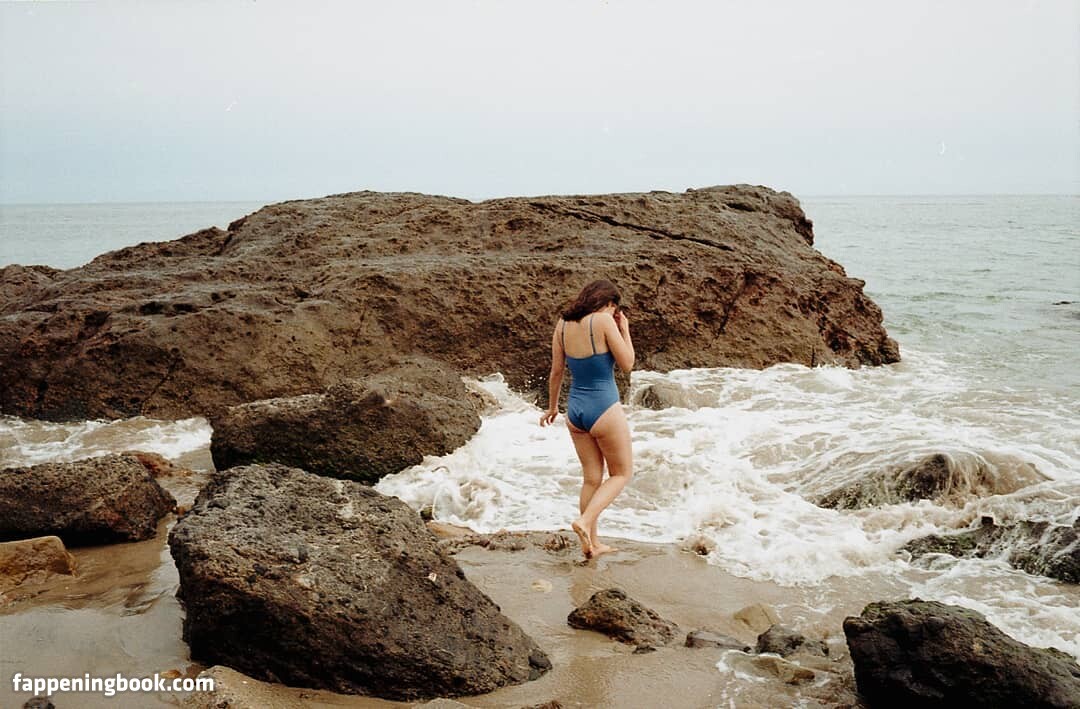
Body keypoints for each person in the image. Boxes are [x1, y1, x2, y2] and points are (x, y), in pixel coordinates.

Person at [539, 279, 634, 559]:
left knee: (591, 479)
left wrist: (552, 407)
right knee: (621, 474)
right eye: (614, 307)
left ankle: (592, 544)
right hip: (604, 407)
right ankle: (584, 521)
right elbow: (627, 364)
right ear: (608, 303)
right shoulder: (602, 321)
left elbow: (557, 371)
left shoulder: (563, 324)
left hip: (575, 411)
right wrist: (625, 330)